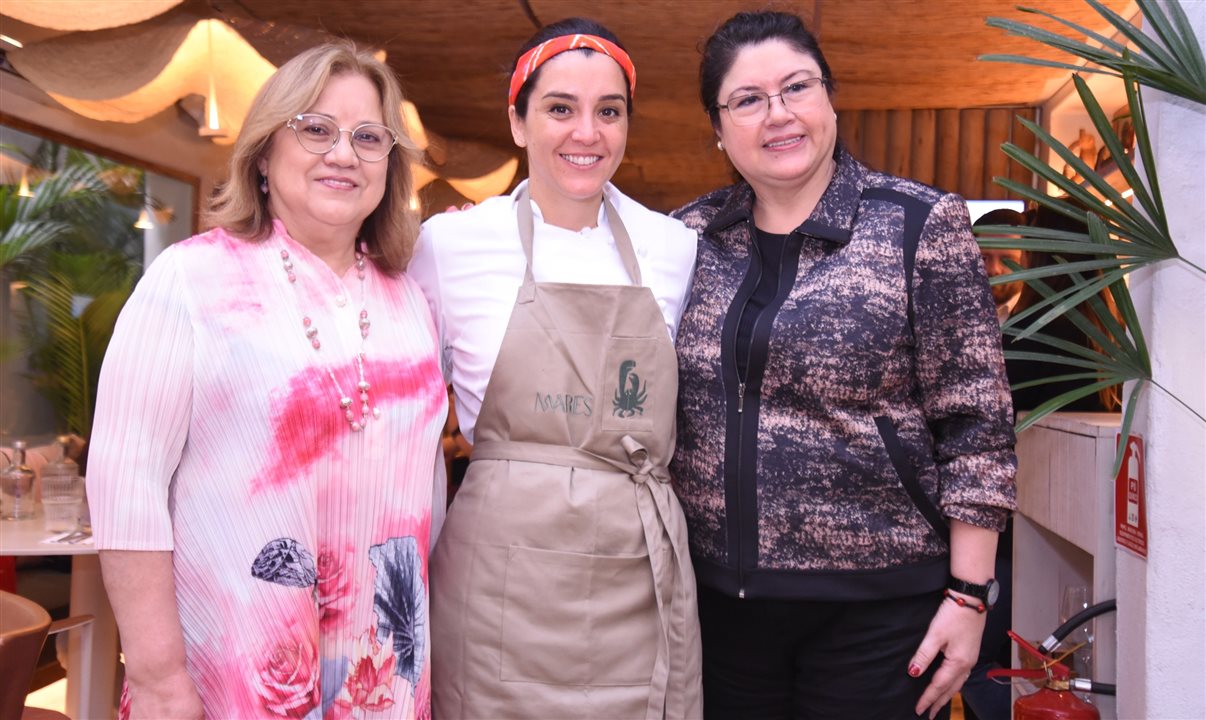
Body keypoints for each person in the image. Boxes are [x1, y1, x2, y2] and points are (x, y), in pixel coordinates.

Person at [669, 11, 1017, 720]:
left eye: (797, 87)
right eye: (748, 99)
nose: (778, 114)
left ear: (829, 97)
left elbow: (978, 425)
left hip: (879, 612)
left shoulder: (919, 224)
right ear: (719, 128)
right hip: (719, 611)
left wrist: (969, 596)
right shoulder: (686, 238)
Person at [87, 42, 447, 719]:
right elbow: (124, 483)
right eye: (316, 128)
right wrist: (160, 679)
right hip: (231, 673)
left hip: (385, 676)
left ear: (389, 165)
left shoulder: (409, 299)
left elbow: (424, 487)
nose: (343, 154)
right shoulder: (191, 279)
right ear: (262, 153)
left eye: (368, 137)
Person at [408, 17, 702, 719]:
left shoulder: (674, 248)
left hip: (635, 574)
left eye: (609, 112)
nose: (587, 133)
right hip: (498, 580)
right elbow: (403, 416)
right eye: (560, 108)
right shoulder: (449, 245)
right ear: (518, 122)